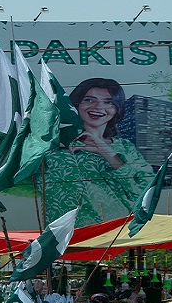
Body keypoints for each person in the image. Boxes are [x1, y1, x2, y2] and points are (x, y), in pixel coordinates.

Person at [42, 78, 153, 226]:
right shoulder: (51, 147)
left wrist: (108, 153)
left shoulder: (125, 148)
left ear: (116, 109)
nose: (98, 107)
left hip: (116, 234)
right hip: (65, 236)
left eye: (109, 102)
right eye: (89, 100)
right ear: (76, 104)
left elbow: (146, 192)